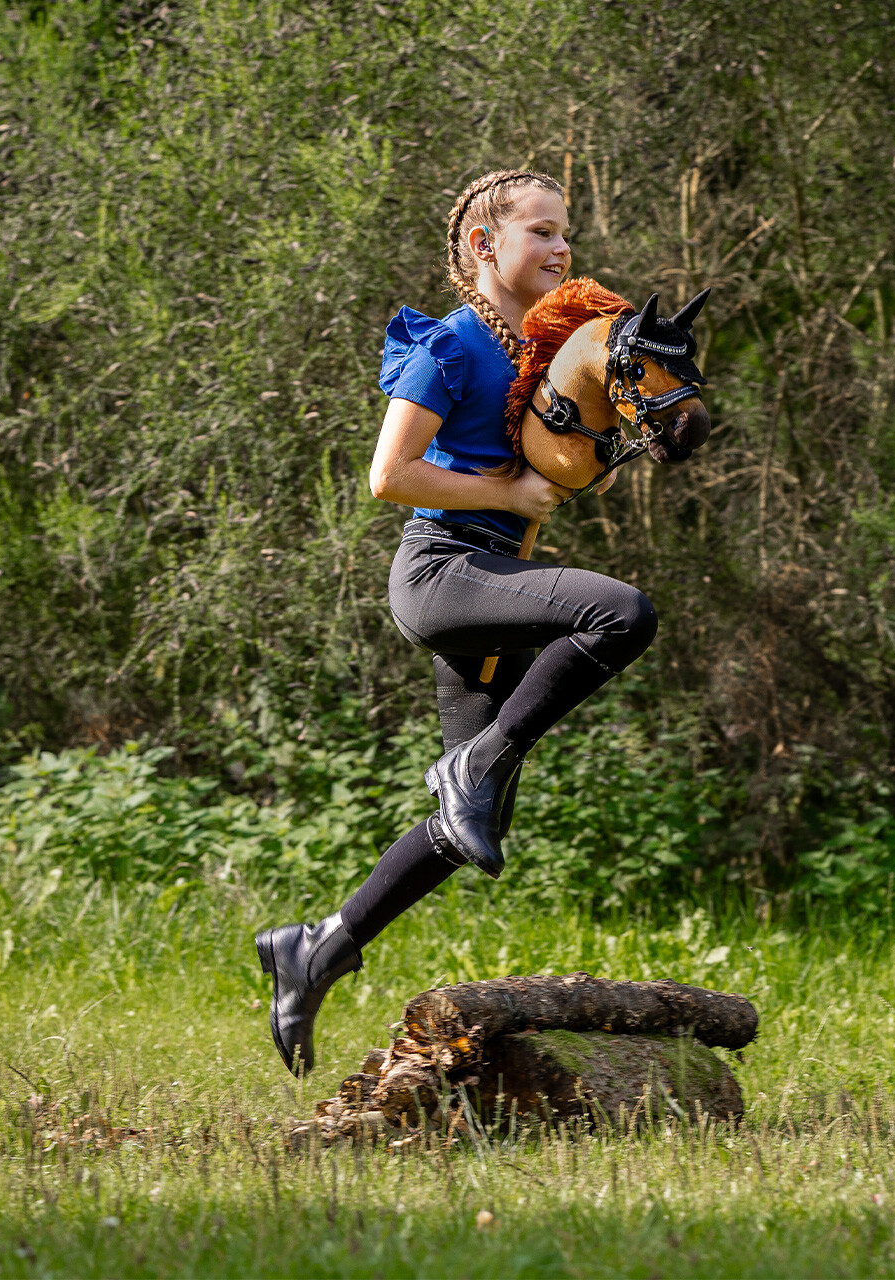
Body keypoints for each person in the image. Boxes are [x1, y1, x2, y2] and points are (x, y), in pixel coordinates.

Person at [255, 168, 659, 1076]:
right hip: (443, 574)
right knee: (621, 615)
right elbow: (389, 476)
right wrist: (508, 494)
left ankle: (315, 949)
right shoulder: (448, 345)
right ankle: (474, 763)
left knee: (468, 825)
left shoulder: (542, 350)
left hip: (494, 584)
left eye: (566, 232)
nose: (562, 247)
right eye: (542, 231)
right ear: (484, 245)